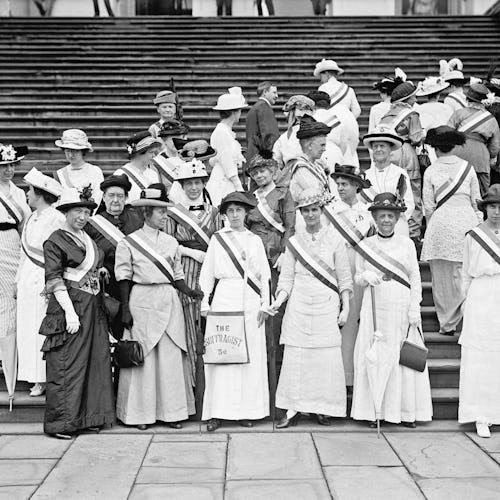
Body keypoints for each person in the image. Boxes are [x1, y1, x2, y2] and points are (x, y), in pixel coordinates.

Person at [115, 185, 201, 430]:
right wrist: (125, 309)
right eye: (160, 212)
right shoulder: (129, 243)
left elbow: (177, 275)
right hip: (141, 299)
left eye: (165, 212)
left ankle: (173, 413)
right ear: (146, 214)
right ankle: (139, 415)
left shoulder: (171, 242)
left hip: (168, 298)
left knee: (171, 354)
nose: (165, 216)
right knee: (145, 356)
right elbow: (123, 277)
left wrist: (190, 291)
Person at [269, 188, 352, 428]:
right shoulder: (295, 243)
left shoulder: (336, 240)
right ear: (301, 214)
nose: (310, 215)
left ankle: (322, 408)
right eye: (305, 211)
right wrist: (278, 301)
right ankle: (293, 409)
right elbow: (286, 280)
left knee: (324, 358)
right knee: (297, 357)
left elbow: (344, 279)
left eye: (314, 210)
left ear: (322, 211)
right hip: (300, 304)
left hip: (326, 303)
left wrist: (345, 307)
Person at [351, 192, 433, 428]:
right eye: (381, 215)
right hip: (374, 306)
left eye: (390, 215)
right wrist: (364, 277)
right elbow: (357, 275)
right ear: (375, 218)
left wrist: (414, 307)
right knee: (375, 355)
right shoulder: (366, 246)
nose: (386, 219)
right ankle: (373, 410)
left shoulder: (407, 244)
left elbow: (416, 278)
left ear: (397, 218)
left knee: (400, 357)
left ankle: (405, 412)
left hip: (400, 305)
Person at [39, 187, 114, 439]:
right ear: (66, 212)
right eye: (77, 211)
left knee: (94, 362)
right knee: (67, 364)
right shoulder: (55, 240)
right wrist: (70, 313)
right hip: (69, 307)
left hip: (92, 307)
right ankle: (62, 423)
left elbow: (92, 266)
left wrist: (100, 272)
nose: (82, 216)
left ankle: (88, 418)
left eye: (86, 212)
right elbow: (54, 279)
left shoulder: (87, 239)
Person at [199, 191, 271, 431]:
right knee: (222, 354)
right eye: (230, 211)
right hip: (224, 298)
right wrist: (205, 303)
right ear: (225, 214)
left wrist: (265, 303)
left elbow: (265, 276)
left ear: (246, 213)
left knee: (250, 356)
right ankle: (217, 412)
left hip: (250, 301)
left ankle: (246, 410)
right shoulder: (217, 239)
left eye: (239, 210)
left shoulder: (254, 241)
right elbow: (207, 272)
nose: (235, 215)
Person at [165, 160, 221, 386]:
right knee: (188, 327)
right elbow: (167, 244)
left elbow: (220, 241)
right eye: (189, 183)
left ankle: (214, 382)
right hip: (185, 274)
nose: (194, 188)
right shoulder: (172, 213)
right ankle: (191, 383)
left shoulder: (215, 212)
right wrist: (190, 251)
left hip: (211, 273)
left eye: (197, 183)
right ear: (182, 185)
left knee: (213, 326)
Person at [421, 127, 482, 336]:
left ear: (435, 149)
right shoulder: (468, 168)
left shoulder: (430, 171)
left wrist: (431, 226)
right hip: (467, 222)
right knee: (465, 273)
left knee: (441, 277)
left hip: (441, 222)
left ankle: (447, 323)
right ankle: (467, 318)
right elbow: (476, 202)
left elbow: (428, 206)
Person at [246, 144, 296, 389]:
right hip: (254, 263)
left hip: (277, 261)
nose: (259, 176)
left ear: (274, 170)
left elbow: (291, 226)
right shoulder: (248, 199)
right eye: (255, 173)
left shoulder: (284, 194)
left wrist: (286, 252)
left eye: (263, 171)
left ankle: (278, 381)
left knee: (276, 317)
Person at [16, 169, 64, 397]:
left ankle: (43, 378)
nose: (27, 194)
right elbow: (24, 254)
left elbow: (57, 254)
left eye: (30, 190)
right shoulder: (32, 217)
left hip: (44, 279)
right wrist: (18, 280)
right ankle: (31, 376)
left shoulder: (56, 218)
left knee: (40, 328)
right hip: (27, 278)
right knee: (27, 327)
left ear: (40, 194)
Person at [458, 185, 500, 438]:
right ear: (485, 208)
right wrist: (466, 303)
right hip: (481, 294)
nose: (496, 212)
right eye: (493, 206)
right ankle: (480, 415)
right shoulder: (473, 236)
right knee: (480, 356)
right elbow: (465, 274)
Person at [327, 165, 373, 388]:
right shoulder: (330, 211)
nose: (340, 188)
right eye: (338, 184)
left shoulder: (368, 212)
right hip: (337, 270)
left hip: (361, 271)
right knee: (340, 324)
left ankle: (359, 378)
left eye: (345, 184)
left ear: (357, 186)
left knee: (359, 322)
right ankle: (340, 378)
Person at [84, 174, 143, 339]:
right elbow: (87, 253)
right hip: (108, 286)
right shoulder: (93, 224)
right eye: (111, 196)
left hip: (135, 283)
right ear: (103, 197)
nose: (116, 200)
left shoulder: (137, 219)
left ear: (126, 198)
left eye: (120, 196)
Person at [0, 144, 31, 397]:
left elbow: (25, 223)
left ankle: (15, 364)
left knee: (13, 298)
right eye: (3, 166)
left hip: (13, 242)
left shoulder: (19, 193)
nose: (9, 170)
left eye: (11, 165)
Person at [379, 80, 424, 243]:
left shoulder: (386, 114)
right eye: (414, 97)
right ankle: (413, 234)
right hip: (406, 153)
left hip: (388, 153)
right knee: (413, 192)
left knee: (391, 190)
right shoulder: (412, 114)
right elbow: (416, 138)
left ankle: (392, 229)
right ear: (407, 99)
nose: (416, 100)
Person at [361, 126, 414, 236]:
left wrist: (390, 223)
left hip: (397, 229)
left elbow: (409, 204)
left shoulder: (400, 174)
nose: (378, 149)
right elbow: (361, 205)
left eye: (382, 146)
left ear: (390, 149)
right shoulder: (365, 175)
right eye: (375, 146)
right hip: (371, 230)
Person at [448, 83, 500, 197]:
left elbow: (447, 134)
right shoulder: (491, 119)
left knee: (456, 190)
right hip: (480, 157)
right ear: (483, 101)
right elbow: (495, 148)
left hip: (458, 153)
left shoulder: (458, 113)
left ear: (467, 98)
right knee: (481, 192)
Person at [54, 129, 104, 208]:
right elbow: (56, 202)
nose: (71, 155)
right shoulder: (60, 174)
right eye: (67, 151)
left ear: (83, 151)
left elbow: (98, 197)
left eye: (75, 151)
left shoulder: (95, 171)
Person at [289, 115, 334, 202]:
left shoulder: (316, 165)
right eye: (322, 145)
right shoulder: (301, 167)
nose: (324, 149)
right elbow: (318, 196)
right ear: (310, 145)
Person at [309, 90, 356, 167]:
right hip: (334, 153)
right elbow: (343, 144)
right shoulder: (338, 120)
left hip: (314, 154)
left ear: (312, 105)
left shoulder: (308, 119)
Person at [114, 131, 163, 202]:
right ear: (139, 153)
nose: (154, 156)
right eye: (151, 152)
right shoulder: (120, 174)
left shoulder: (153, 173)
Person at [272, 95, 315, 174]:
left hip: (290, 177)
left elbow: (276, 163)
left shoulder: (283, 138)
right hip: (313, 174)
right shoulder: (317, 134)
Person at [150, 119, 190, 203]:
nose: (177, 142)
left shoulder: (190, 158)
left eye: (180, 138)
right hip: (169, 206)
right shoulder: (156, 162)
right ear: (164, 140)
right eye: (173, 139)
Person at [245, 81, 280, 165]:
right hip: (263, 160)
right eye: (274, 92)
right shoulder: (263, 107)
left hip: (254, 157)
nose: (277, 96)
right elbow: (269, 135)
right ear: (265, 92)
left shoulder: (255, 107)